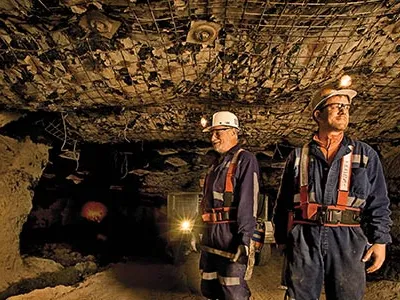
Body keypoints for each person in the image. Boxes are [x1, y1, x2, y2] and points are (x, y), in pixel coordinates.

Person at [273, 80, 392, 300]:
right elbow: (283, 203)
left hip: (347, 238)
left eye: (346, 106)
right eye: (336, 105)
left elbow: (379, 202)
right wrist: (282, 238)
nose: (343, 110)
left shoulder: (365, 154)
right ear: (318, 115)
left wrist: (380, 240)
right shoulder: (299, 156)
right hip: (305, 236)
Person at [199, 111, 260, 300]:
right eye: (212, 133)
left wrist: (245, 240)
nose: (213, 138)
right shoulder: (214, 166)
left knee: (232, 289)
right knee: (209, 287)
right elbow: (205, 204)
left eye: (218, 132)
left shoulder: (245, 160)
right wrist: (196, 231)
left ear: (234, 132)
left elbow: (248, 203)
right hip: (211, 236)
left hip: (231, 236)